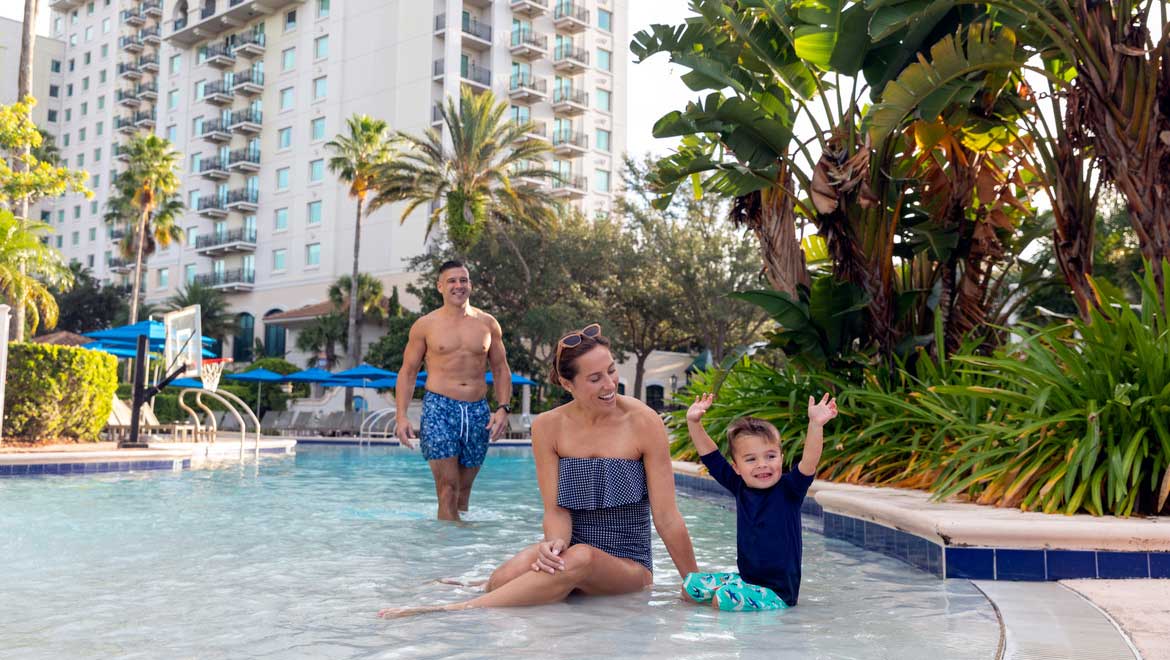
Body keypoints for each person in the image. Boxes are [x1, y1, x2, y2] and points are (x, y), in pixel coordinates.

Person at [379, 323, 699, 617]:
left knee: (583, 558)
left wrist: (694, 584)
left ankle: (460, 608)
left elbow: (667, 518)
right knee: (501, 579)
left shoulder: (644, 422)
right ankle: (482, 588)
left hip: (629, 567)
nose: (609, 384)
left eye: (611, 371)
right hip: (571, 551)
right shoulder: (548, 427)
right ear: (566, 382)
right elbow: (555, 509)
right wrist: (554, 543)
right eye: (595, 378)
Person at [681, 391, 838, 611]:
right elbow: (712, 457)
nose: (762, 464)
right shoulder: (739, 487)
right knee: (690, 586)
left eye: (770, 456)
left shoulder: (790, 490)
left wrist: (816, 424)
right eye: (751, 459)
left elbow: (809, 461)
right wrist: (694, 422)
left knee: (723, 599)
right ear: (737, 467)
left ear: (781, 459)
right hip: (747, 580)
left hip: (778, 593)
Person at [395, 260, 512, 521]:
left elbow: (501, 369)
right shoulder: (425, 325)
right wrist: (401, 416)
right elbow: (408, 371)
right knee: (447, 488)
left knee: (463, 492)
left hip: (477, 411)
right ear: (440, 286)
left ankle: (457, 553)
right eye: (452, 281)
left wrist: (503, 408)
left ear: (470, 284)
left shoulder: (488, 324)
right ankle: (446, 558)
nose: (458, 285)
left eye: (463, 280)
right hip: (439, 407)